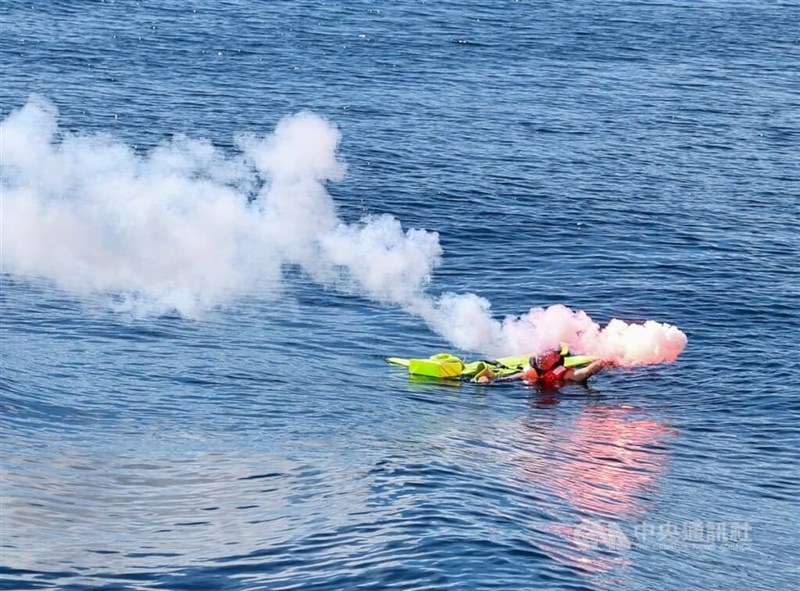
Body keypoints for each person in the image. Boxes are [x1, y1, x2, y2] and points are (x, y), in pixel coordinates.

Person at [485, 348, 610, 386]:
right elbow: (511, 378)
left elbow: (584, 372)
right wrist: (490, 380)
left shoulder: (565, 374)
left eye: (545, 355)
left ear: (556, 357)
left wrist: (604, 361)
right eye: (539, 354)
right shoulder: (531, 371)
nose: (540, 358)